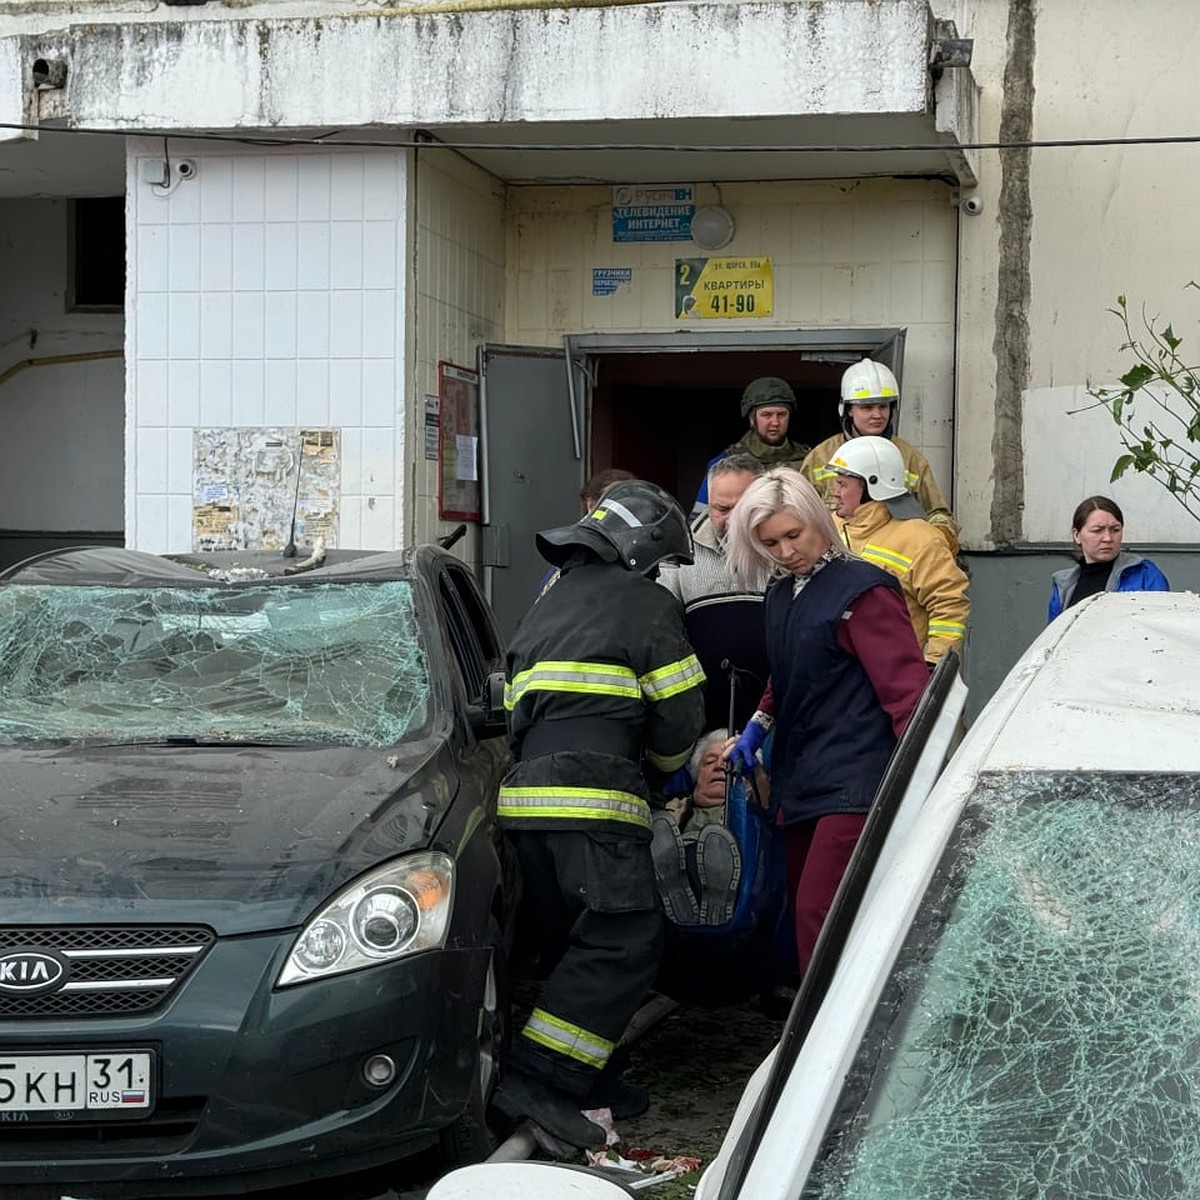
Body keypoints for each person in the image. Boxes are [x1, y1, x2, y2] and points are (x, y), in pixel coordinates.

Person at [493, 479, 706, 1148]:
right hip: (596, 796)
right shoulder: (645, 604)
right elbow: (679, 715)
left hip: (525, 804)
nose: (659, 572)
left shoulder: (546, 605)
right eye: (660, 560)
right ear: (642, 550)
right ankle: (540, 1079)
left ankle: (594, 1079)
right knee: (623, 939)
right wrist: (667, 772)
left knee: (568, 947)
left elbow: (512, 709)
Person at [721, 468, 929, 975]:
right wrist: (758, 725)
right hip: (802, 777)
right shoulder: (782, 593)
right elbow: (789, 672)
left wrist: (923, 780)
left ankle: (831, 1041)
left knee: (823, 917)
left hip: (857, 778)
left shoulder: (863, 593)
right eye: (770, 542)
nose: (787, 551)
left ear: (820, 519)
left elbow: (907, 695)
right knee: (803, 914)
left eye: (795, 535)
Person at [827, 436, 970, 666]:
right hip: (842, 677)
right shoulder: (828, 528)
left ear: (870, 487)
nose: (834, 492)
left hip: (896, 679)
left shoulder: (921, 539)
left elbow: (949, 606)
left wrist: (933, 666)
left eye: (842, 484)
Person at [800, 359, 960, 552]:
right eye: (867, 407)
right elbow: (798, 516)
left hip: (895, 563)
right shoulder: (820, 457)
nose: (877, 415)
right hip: (839, 560)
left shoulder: (910, 458)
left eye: (883, 407)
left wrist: (937, 540)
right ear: (848, 409)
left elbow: (938, 513)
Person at [662, 455, 769, 730]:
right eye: (721, 509)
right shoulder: (678, 557)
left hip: (776, 718)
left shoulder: (786, 551)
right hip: (701, 721)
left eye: (743, 508)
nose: (732, 520)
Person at [651, 728, 744, 926]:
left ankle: (712, 905)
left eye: (730, 762)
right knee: (659, 836)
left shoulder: (752, 811)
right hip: (669, 868)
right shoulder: (668, 809)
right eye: (709, 762)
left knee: (716, 846)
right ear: (696, 775)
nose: (720, 766)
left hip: (738, 880)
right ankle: (679, 899)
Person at [692, 377, 810, 516]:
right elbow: (700, 520)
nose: (775, 422)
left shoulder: (809, 460)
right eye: (766, 415)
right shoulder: (725, 463)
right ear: (752, 418)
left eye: (782, 415)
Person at [1048, 495, 1170, 620]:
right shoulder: (1064, 584)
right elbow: (1055, 636)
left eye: (1115, 530)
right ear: (1077, 535)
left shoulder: (1145, 574)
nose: (1108, 538)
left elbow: (1161, 626)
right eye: (1097, 530)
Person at [535, 467, 635, 599]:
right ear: (591, 504)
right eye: (615, 501)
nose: (624, 508)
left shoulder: (649, 553)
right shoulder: (574, 554)